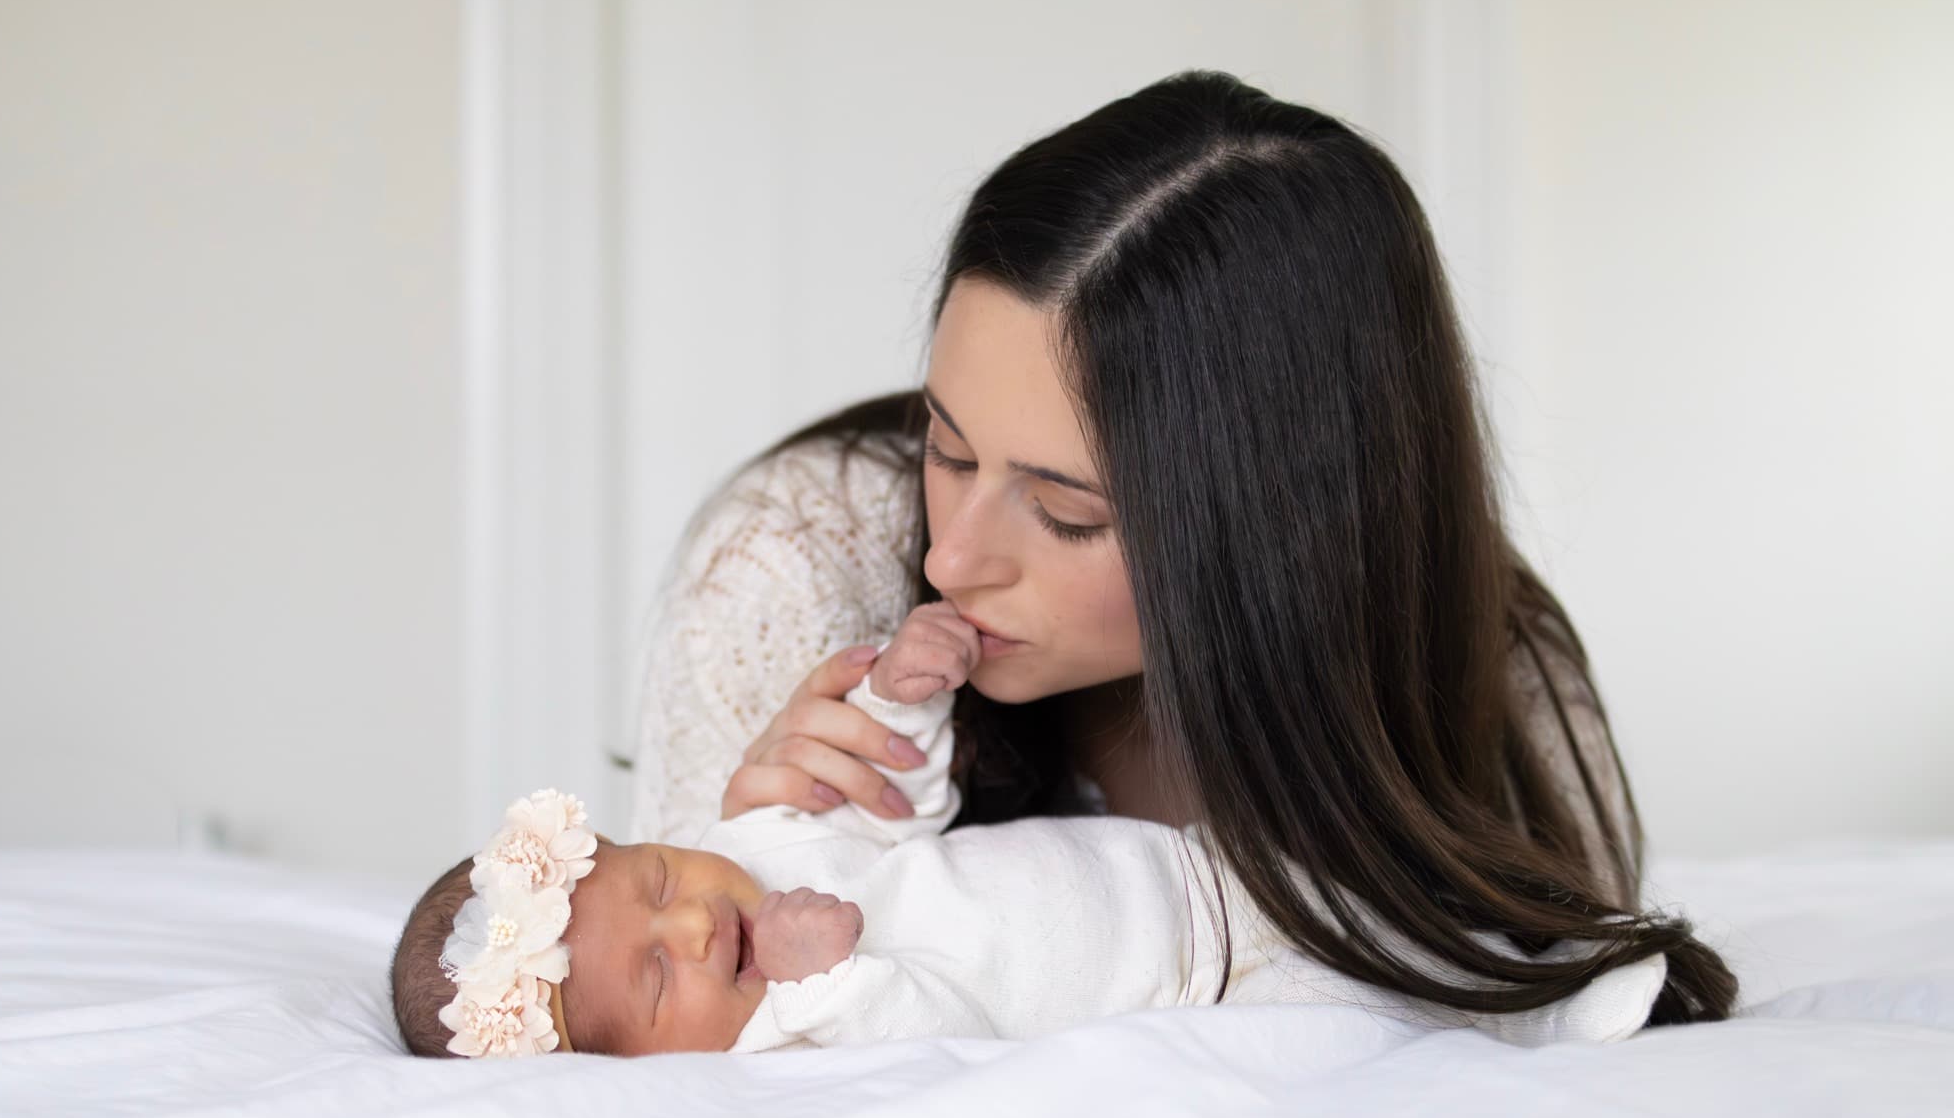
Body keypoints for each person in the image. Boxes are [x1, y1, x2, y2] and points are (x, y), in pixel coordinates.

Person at [623, 68, 1736, 1025]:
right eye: (948, 450)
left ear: (1283, 524)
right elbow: (667, 1057)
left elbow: (1544, 992)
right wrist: (735, 841)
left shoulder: (1493, 668)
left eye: (1066, 513)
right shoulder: (794, 565)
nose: (951, 561)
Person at [389, 604, 1665, 1058]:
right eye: (657, 978)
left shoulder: (757, 839)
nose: (690, 923)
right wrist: (831, 978)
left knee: (1364, 882)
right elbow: (940, 1041)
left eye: (659, 878)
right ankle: (1542, 1026)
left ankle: (1535, 946)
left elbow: (893, 797)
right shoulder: (784, 1042)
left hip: (1183, 866)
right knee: (1355, 1022)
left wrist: (906, 691)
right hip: (1193, 995)